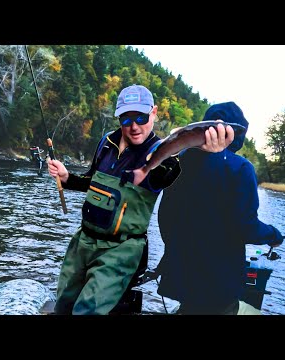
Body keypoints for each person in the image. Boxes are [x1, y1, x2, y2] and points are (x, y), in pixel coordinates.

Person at [47, 84, 234, 315]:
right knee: (62, 305)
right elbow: (91, 181)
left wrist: (202, 150)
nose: (134, 126)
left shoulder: (165, 156)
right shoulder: (106, 142)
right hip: (83, 242)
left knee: (87, 310)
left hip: (121, 250)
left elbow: (178, 175)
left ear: (154, 113)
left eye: (141, 117)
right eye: (126, 119)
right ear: (118, 119)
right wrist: (67, 178)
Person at [156, 101, 285, 315]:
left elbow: (165, 217)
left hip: (179, 276)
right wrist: (274, 235)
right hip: (217, 286)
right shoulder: (241, 168)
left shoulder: (180, 161)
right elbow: (246, 227)